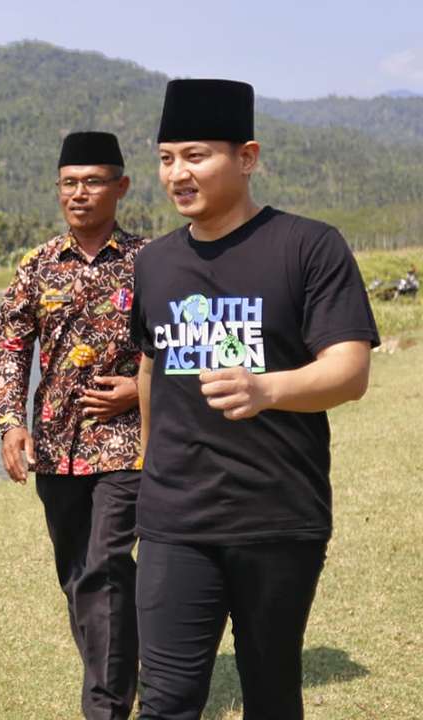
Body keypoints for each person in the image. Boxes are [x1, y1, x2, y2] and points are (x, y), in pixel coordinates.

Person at [129, 79, 379, 719]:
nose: (176, 174)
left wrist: (265, 388)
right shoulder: (154, 264)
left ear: (247, 157)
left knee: (271, 694)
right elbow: (153, 365)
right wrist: (149, 463)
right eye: (165, 159)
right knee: (165, 701)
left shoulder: (308, 246)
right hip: (174, 522)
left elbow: (348, 371)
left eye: (194, 155)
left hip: (276, 517)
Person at [0, 131, 146, 720]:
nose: (80, 194)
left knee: (105, 564)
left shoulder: (150, 261)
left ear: (121, 187)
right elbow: (7, 345)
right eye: (69, 184)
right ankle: (119, 671)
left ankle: (104, 707)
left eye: (93, 181)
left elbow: (182, 347)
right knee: (76, 574)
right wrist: (10, 423)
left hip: (127, 447)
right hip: (55, 449)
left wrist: (138, 389)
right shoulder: (36, 266)